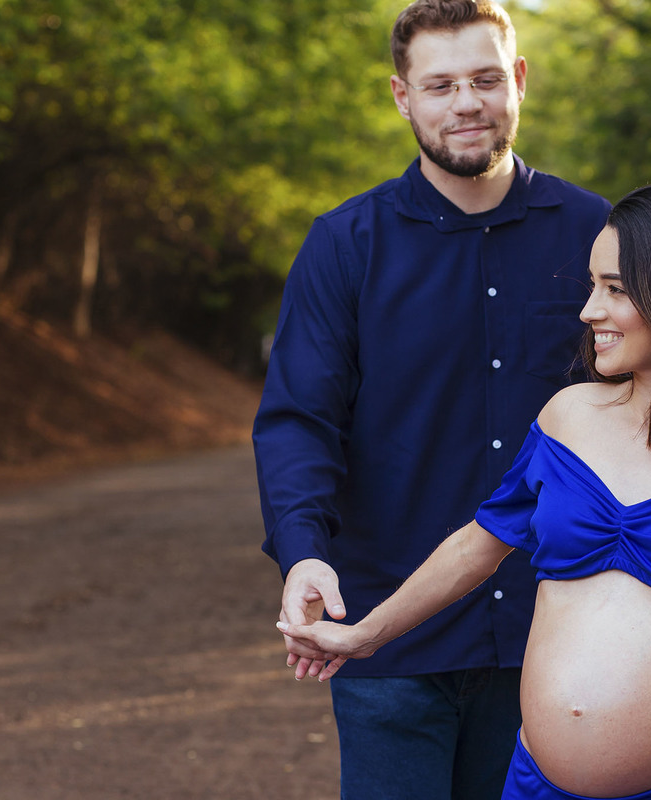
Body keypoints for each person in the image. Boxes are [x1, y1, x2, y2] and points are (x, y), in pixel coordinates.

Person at [280, 184, 651, 800]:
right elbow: (479, 544)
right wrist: (366, 635)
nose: (588, 310)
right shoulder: (568, 418)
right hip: (536, 786)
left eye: (615, 289)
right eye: (591, 285)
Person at [252, 1, 611, 798]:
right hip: (389, 636)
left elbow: (644, 411)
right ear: (401, 96)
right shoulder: (345, 244)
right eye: (440, 85)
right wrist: (304, 548)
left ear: (518, 81)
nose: (466, 103)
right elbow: (299, 421)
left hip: (556, 631)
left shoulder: (598, 235)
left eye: (484, 79)